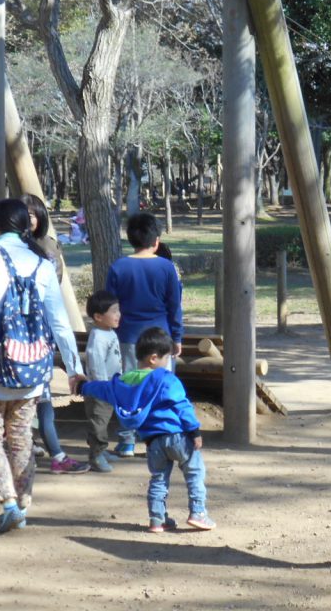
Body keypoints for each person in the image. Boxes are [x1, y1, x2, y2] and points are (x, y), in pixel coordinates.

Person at [0, 198, 85, 532]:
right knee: (21, 437)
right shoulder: (42, 264)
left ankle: (9, 503)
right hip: (31, 370)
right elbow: (59, 322)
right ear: (26, 227)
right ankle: (24, 502)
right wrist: (73, 367)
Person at [75, 327, 214, 533]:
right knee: (194, 471)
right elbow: (182, 406)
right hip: (177, 437)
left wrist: (82, 387)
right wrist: (194, 431)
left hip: (153, 442)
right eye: (166, 358)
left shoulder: (124, 382)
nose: (168, 363)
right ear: (154, 358)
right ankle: (198, 512)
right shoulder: (166, 379)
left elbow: (102, 388)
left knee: (158, 478)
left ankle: (157, 519)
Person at [105, 212, 183, 457]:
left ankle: (127, 440)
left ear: (130, 239)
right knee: (162, 388)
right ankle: (162, 438)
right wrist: (177, 337)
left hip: (128, 336)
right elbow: (174, 305)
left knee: (131, 386)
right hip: (161, 337)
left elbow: (111, 304)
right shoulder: (166, 267)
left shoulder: (118, 267)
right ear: (156, 241)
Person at [21, 194, 89, 475]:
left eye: (32, 215)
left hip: (39, 336)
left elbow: (54, 299)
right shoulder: (0, 253)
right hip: (17, 342)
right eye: (23, 215)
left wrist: (74, 365)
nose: (28, 221)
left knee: (41, 397)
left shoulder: (48, 248)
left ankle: (51, 451)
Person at [83, 290, 122, 473]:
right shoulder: (98, 337)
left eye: (118, 310)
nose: (118, 315)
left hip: (110, 386)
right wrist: (102, 386)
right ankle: (96, 456)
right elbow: (96, 362)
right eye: (113, 311)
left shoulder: (110, 333)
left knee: (103, 420)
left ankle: (101, 450)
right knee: (98, 421)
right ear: (98, 316)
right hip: (100, 389)